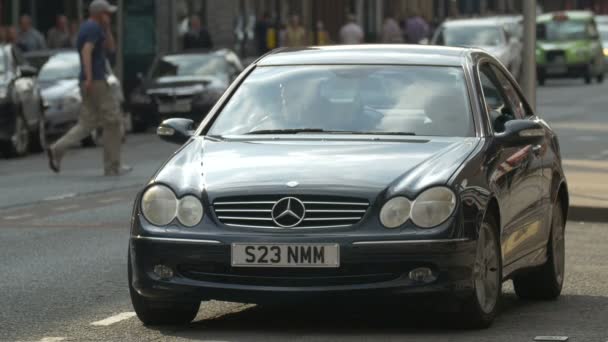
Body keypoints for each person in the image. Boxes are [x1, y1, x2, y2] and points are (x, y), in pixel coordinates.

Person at [47, 0, 131, 177]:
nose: (109, 16)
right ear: (99, 14)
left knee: (87, 123)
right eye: (107, 13)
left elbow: (111, 48)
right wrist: (90, 77)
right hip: (96, 81)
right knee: (113, 121)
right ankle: (112, 165)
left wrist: (107, 29)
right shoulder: (92, 28)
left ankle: (57, 149)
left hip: (90, 81)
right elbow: (86, 51)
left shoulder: (94, 28)